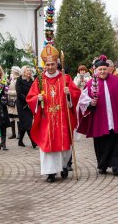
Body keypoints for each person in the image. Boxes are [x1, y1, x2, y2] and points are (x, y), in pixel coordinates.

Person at [26, 44, 81, 182]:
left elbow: (76, 93)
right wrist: (37, 99)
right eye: (47, 64)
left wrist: (70, 94)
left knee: (64, 144)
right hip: (46, 119)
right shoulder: (39, 80)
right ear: (44, 65)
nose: (50, 67)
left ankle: (63, 167)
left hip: (62, 117)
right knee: (47, 145)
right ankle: (50, 172)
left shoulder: (65, 78)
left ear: (57, 64)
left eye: (52, 64)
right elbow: (30, 97)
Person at [77, 55, 118, 175]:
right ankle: (103, 164)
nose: (102, 71)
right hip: (100, 119)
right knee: (102, 142)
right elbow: (82, 100)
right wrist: (91, 102)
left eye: (104, 69)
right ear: (95, 70)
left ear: (109, 69)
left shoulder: (117, 81)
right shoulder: (91, 83)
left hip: (116, 118)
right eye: (100, 69)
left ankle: (117, 165)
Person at [15, 65, 36, 148]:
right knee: (28, 123)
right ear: (24, 72)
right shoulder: (19, 80)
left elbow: (34, 92)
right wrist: (27, 99)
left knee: (25, 123)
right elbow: (19, 93)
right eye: (28, 70)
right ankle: (33, 142)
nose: (29, 72)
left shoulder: (32, 81)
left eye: (30, 70)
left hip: (30, 104)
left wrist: (32, 100)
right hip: (22, 104)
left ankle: (20, 141)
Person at [7, 66, 21, 140]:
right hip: (10, 101)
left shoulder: (19, 80)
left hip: (16, 100)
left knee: (17, 117)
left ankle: (19, 133)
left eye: (12, 71)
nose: (11, 72)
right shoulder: (10, 79)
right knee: (11, 117)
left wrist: (9, 92)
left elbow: (18, 92)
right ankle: (13, 133)